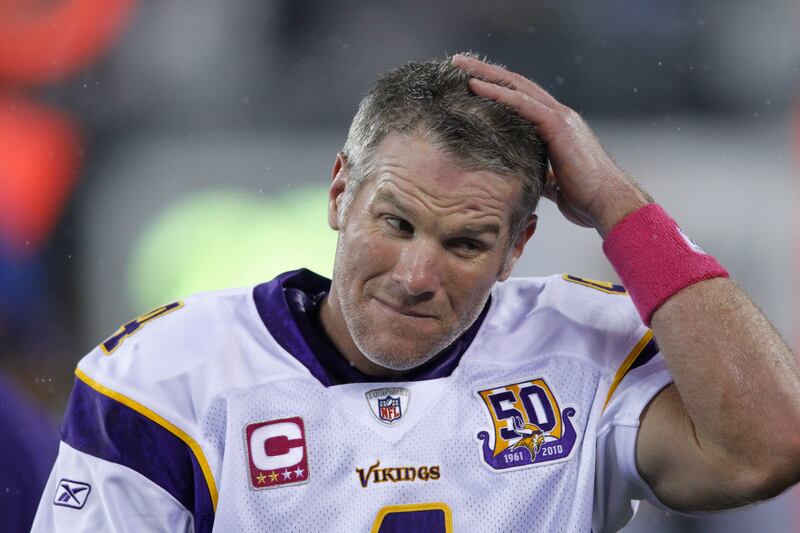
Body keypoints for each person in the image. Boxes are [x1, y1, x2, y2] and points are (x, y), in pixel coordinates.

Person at [33, 53, 800, 532]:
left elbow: (770, 446)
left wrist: (620, 208)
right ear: (341, 194)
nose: (416, 274)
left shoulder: (580, 347)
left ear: (515, 249)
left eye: (465, 242)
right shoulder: (165, 377)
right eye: (395, 222)